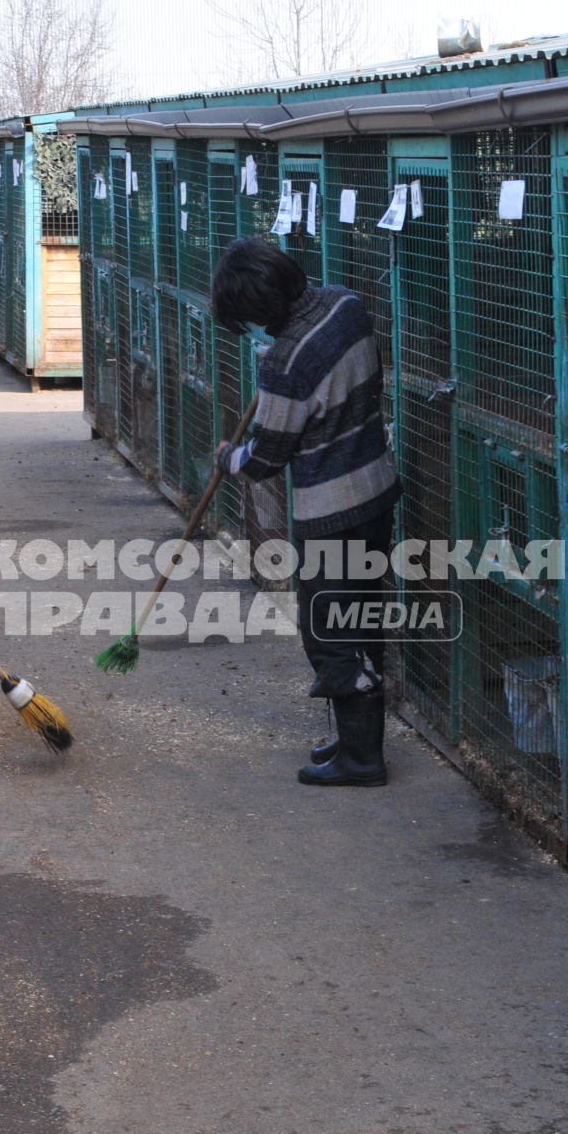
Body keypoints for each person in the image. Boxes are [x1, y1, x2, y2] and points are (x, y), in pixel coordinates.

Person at [211, 237, 401, 787]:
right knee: (360, 618)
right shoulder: (346, 305)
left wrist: (230, 458)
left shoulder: (285, 361)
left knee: (328, 633)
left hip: (333, 511)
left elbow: (268, 456)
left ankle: (363, 760)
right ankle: (354, 740)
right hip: (377, 490)